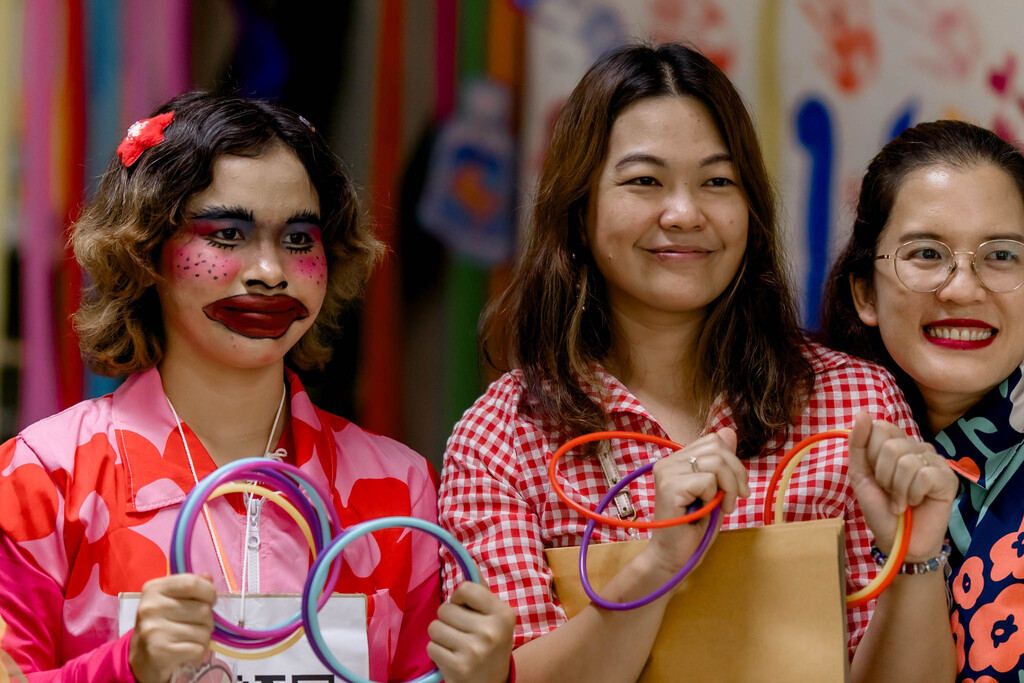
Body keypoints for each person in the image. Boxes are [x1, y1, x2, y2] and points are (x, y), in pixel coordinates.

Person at [438, 42, 957, 683]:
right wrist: (658, 562)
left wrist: (916, 557)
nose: (684, 214)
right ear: (579, 211)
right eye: (644, 181)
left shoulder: (852, 404)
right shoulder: (500, 438)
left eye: (717, 181)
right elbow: (502, 678)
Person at [0, 92, 514, 683]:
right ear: (146, 250)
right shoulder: (45, 477)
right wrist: (126, 668)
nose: (270, 271)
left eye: (299, 239)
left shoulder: (397, 487)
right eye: (227, 234)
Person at [821, 118, 1024, 682]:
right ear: (865, 290)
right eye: (927, 254)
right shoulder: (809, 458)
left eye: (1002, 255)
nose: (963, 288)